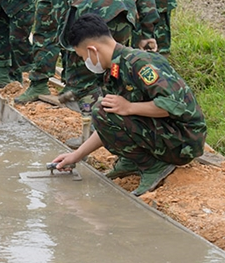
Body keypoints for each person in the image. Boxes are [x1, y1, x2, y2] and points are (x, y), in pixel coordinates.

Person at [51, 13, 206, 196]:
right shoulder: (115, 69)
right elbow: (109, 121)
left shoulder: (140, 64)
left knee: (102, 110)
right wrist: (76, 156)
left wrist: (129, 107)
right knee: (104, 110)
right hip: (166, 134)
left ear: (93, 50)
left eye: (83, 56)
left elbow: (174, 105)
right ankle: (133, 160)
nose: (85, 62)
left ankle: (154, 166)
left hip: (184, 140)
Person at [44, 0, 160, 113]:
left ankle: (92, 117)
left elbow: (60, 15)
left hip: (91, 21)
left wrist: (70, 57)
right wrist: (146, 34)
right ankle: (114, 106)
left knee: (84, 78)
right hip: (124, 17)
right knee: (113, 67)